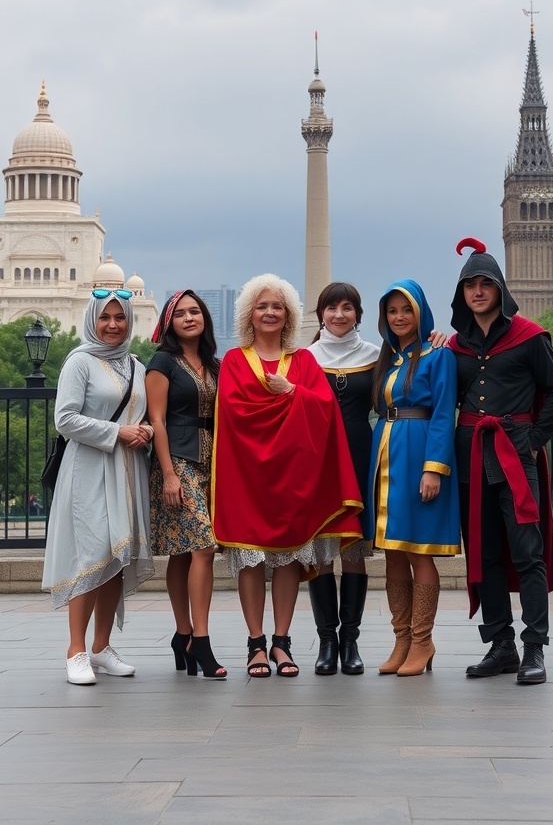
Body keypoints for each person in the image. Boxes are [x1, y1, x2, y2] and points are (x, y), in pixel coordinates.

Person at [211, 273, 363, 678]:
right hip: (248, 476)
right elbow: (233, 411)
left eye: (277, 306)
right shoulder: (233, 360)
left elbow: (325, 409)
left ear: (289, 314)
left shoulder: (305, 361)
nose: (270, 312)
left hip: (294, 477)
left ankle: (282, 642)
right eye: (262, 306)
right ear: (249, 313)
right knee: (250, 560)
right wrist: (279, 397)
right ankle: (255, 644)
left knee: (287, 560)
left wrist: (292, 393)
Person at [448, 238, 553, 685]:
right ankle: (501, 646)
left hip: (515, 456)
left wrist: (534, 437)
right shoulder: (455, 348)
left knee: (527, 553)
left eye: (486, 284)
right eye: (470, 285)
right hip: (470, 457)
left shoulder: (529, 336)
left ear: (500, 289)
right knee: (484, 554)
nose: (478, 291)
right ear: (461, 294)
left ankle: (534, 647)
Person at [42, 290, 154, 685]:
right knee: (89, 553)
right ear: (93, 319)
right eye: (105, 317)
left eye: (119, 317)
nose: (112, 324)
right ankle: (76, 649)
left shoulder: (136, 365)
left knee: (115, 558)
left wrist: (146, 431)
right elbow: (65, 419)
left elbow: (144, 415)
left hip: (126, 469)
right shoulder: (80, 361)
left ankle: (102, 647)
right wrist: (116, 431)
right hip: (89, 468)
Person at [368, 279, 461, 676]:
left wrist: (433, 468)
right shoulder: (389, 360)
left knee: (418, 551)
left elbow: (443, 414)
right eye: (392, 311)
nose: (399, 317)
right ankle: (401, 638)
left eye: (406, 310)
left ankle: (422, 640)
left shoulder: (438, 356)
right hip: (387, 453)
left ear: (421, 313)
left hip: (419, 453)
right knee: (392, 550)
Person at [145, 290, 226, 679]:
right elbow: (157, 420)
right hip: (177, 462)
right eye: (181, 313)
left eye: (196, 311)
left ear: (205, 318)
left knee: (184, 551)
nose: (189, 318)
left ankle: (182, 635)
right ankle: (201, 641)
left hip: (212, 464)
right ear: (169, 321)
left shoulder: (215, 363)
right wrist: (169, 474)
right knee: (205, 548)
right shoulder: (163, 361)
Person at [308, 283, 380, 674]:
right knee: (321, 552)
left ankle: (350, 641)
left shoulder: (375, 356)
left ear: (358, 313)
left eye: (347, 307)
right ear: (320, 314)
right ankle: (327, 641)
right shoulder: (304, 358)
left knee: (353, 550)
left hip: (359, 457)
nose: (339, 314)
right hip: (318, 463)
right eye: (331, 307)